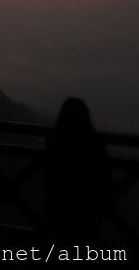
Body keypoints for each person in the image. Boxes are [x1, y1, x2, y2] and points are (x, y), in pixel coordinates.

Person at [46, 97, 114, 238]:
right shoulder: (95, 145)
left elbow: (51, 181)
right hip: (90, 210)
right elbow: (105, 178)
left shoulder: (57, 144)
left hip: (63, 209)